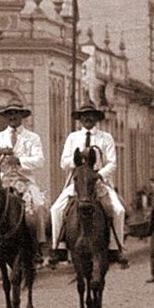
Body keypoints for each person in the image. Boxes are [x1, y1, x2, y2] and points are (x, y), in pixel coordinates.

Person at [49, 100, 128, 258]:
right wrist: (78, 160)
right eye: (84, 116)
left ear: (96, 118)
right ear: (80, 119)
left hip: (99, 183)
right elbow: (63, 162)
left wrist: (99, 174)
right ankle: (59, 248)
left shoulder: (106, 138)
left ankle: (115, 247)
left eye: (91, 115)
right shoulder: (73, 138)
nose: (88, 118)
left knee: (119, 210)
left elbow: (112, 163)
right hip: (77, 183)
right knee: (55, 210)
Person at [0, 98, 50, 253]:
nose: (13, 117)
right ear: (6, 116)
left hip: (24, 182)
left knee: (38, 207)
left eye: (16, 113)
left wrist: (19, 160)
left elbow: (40, 160)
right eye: (10, 114)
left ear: (21, 116)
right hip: (3, 183)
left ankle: (39, 244)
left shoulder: (32, 138)